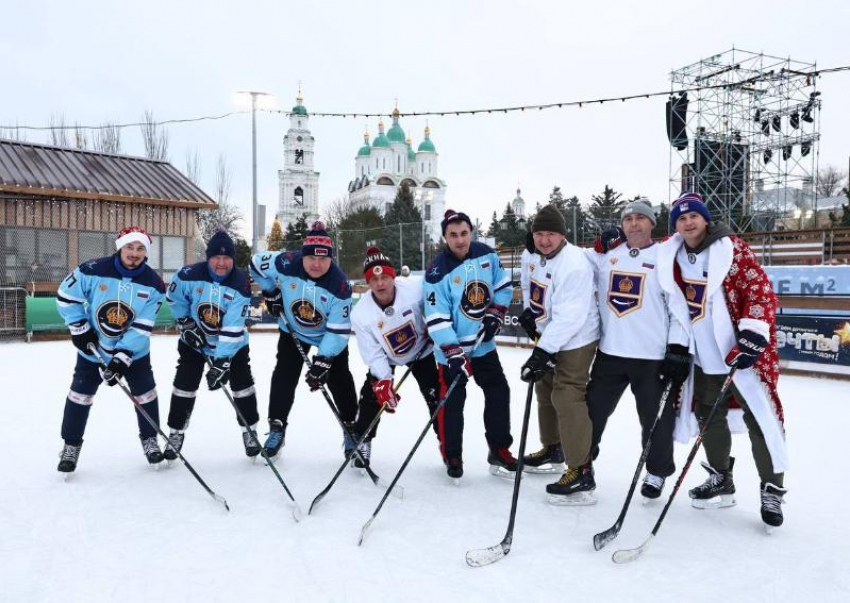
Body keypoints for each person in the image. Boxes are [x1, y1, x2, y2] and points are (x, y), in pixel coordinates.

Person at [657, 192, 788, 528]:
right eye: (681, 219)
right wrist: (677, 346)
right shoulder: (672, 254)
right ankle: (721, 478)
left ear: (705, 219)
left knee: (761, 417)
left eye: (693, 217)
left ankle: (772, 487)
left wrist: (753, 333)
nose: (688, 223)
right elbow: (675, 305)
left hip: (739, 352)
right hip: (702, 356)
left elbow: (758, 289)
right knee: (707, 415)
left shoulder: (731, 248)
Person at [586, 200, 691, 500]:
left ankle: (656, 472)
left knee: (656, 420)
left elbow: (678, 307)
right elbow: (571, 260)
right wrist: (596, 244)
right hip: (610, 353)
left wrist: (677, 348)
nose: (634, 224)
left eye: (640, 219)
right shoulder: (608, 256)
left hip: (652, 357)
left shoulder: (665, 257)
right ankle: (582, 466)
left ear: (652, 224)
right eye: (628, 219)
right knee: (592, 414)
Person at [55, 226, 166, 473]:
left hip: (134, 354)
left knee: (146, 395)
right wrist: (80, 329)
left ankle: (150, 440)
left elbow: (141, 326)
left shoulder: (154, 284)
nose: (134, 253)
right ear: (120, 247)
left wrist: (122, 357)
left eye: (140, 249)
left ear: (145, 254)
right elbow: (66, 296)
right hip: (93, 348)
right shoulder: (91, 270)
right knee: (79, 396)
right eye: (130, 247)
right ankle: (70, 446)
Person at [249, 221, 357, 460]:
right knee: (284, 376)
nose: (317, 264)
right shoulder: (286, 261)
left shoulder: (340, 285)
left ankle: (351, 429)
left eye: (323, 259)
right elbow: (255, 263)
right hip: (293, 330)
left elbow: (339, 331)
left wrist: (323, 360)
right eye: (311, 259)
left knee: (340, 379)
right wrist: (270, 291)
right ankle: (277, 428)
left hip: (327, 334)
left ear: (331, 258)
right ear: (302, 255)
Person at [423, 209, 516, 480]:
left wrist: (495, 314)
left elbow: (503, 286)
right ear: (445, 238)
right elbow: (436, 317)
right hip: (452, 353)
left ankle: (499, 448)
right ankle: (452, 455)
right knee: (452, 403)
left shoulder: (487, 254)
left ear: (470, 232)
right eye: (453, 235)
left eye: (464, 233)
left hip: (483, 346)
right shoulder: (436, 272)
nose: (460, 240)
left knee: (499, 391)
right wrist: (452, 352)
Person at [518, 205, 600, 504]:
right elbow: (533, 285)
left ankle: (581, 470)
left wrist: (542, 352)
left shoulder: (574, 264)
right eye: (539, 233)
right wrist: (531, 313)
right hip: (550, 335)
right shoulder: (538, 256)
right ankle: (554, 447)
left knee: (566, 395)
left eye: (550, 234)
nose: (544, 240)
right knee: (545, 391)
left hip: (576, 339)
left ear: (562, 234)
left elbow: (570, 317)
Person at [164, 231, 260, 459]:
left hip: (233, 344)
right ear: (208, 258)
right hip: (194, 343)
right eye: (216, 257)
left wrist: (222, 361)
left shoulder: (240, 282)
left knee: (242, 386)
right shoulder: (187, 275)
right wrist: (187, 324)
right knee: (184, 385)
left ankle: (250, 431)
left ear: (233, 259)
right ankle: (175, 432)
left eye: (227, 258)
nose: (221, 263)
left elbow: (233, 325)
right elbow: (174, 299)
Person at [350, 246, 441, 467]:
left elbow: (436, 303)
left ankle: (447, 445)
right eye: (374, 279)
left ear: (394, 276)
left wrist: (433, 326)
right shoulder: (361, 313)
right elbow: (372, 352)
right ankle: (363, 440)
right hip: (386, 355)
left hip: (422, 350)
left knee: (437, 397)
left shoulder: (415, 289)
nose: (380, 283)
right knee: (371, 396)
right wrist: (383, 380)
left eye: (385, 277)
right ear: (367, 283)